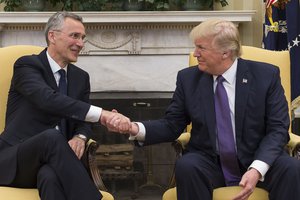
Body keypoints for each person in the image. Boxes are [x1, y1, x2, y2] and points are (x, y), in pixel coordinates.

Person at [112, 19, 300, 200]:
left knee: (291, 168)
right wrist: (133, 128)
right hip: (211, 162)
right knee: (187, 165)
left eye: (201, 48)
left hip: (257, 157)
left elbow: (278, 129)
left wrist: (257, 169)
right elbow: (172, 124)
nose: (195, 54)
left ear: (225, 52)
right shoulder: (188, 79)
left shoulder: (266, 76)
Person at [0, 11, 130, 200]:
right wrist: (103, 114)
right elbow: (47, 99)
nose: (81, 43)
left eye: (83, 37)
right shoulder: (27, 65)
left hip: (53, 162)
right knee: (52, 137)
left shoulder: (81, 77)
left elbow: (84, 122)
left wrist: (80, 137)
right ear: (52, 36)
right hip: (15, 161)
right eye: (74, 36)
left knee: (50, 177)